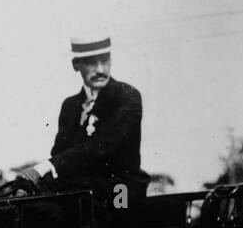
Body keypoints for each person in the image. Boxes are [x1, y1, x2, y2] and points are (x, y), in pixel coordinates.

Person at [17, 33, 150, 202]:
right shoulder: (70, 106)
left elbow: (102, 145)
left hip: (122, 190)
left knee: (71, 206)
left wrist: (44, 168)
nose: (100, 70)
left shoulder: (127, 96)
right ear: (76, 65)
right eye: (91, 63)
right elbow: (60, 153)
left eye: (105, 60)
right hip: (85, 188)